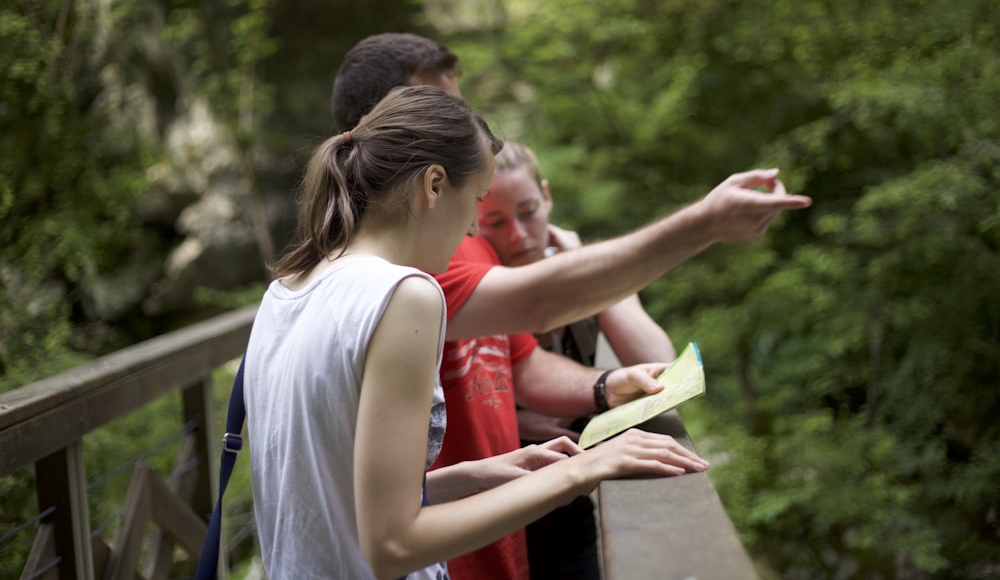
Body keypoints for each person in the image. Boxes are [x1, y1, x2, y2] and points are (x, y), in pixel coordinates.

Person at [331, 33, 812, 580]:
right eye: (444, 109)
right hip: (444, 552)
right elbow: (540, 301)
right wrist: (703, 224)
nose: (464, 125)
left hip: (499, 544)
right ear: (394, 126)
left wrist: (604, 387)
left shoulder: (443, 248)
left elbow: (520, 361)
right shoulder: (404, 278)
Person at [244, 84, 709, 580]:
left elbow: (334, 502)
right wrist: (584, 468)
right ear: (435, 185)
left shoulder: (289, 289)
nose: (471, 231)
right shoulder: (403, 294)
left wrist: (486, 474)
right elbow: (392, 546)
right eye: (478, 200)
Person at [478, 140, 677, 579]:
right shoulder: (472, 292)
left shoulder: (577, 275)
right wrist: (518, 421)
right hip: (487, 510)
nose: (518, 235)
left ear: (547, 197)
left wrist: (591, 269)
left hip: (568, 507)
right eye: (495, 222)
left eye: (528, 212)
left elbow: (661, 368)